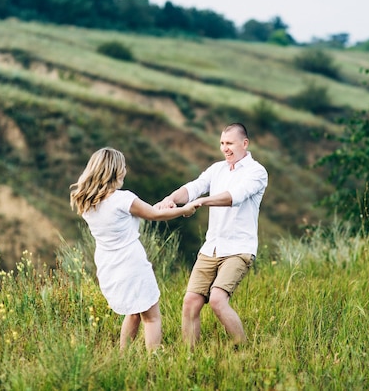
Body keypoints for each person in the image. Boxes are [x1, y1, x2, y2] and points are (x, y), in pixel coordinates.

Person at [70, 147, 198, 351]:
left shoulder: (88, 204)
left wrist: (158, 208)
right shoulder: (123, 199)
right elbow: (153, 215)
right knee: (152, 318)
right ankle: (153, 363)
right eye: (123, 167)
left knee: (133, 312)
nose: (125, 171)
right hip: (132, 264)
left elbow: (145, 212)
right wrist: (184, 209)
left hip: (108, 266)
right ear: (115, 171)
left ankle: (123, 358)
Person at [156, 123, 268, 347]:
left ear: (244, 144)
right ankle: (190, 358)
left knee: (217, 300)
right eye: (222, 144)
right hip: (211, 248)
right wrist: (171, 199)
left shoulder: (257, 172)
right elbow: (193, 187)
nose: (225, 148)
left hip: (239, 249)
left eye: (229, 144)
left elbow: (233, 197)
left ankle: (245, 351)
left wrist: (201, 202)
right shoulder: (217, 169)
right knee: (190, 302)